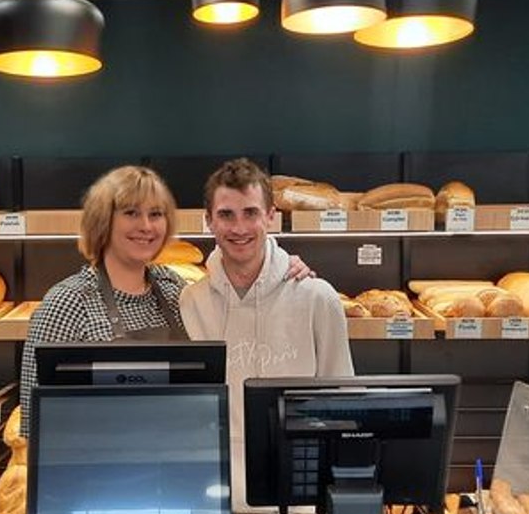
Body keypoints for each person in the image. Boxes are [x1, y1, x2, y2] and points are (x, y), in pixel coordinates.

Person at [17, 164, 315, 439]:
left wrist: (282, 269)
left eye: (156, 214)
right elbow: (35, 427)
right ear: (103, 221)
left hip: (175, 458)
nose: (146, 226)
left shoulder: (175, 291)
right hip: (98, 470)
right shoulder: (67, 303)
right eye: (131, 213)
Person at [179, 158, 354, 514]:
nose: (239, 228)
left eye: (250, 213)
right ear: (208, 221)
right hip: (213, 511)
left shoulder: (316, 298)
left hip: (299, 513)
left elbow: (342, 405)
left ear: (272, 217)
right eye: (226, 215)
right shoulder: (188, 302)